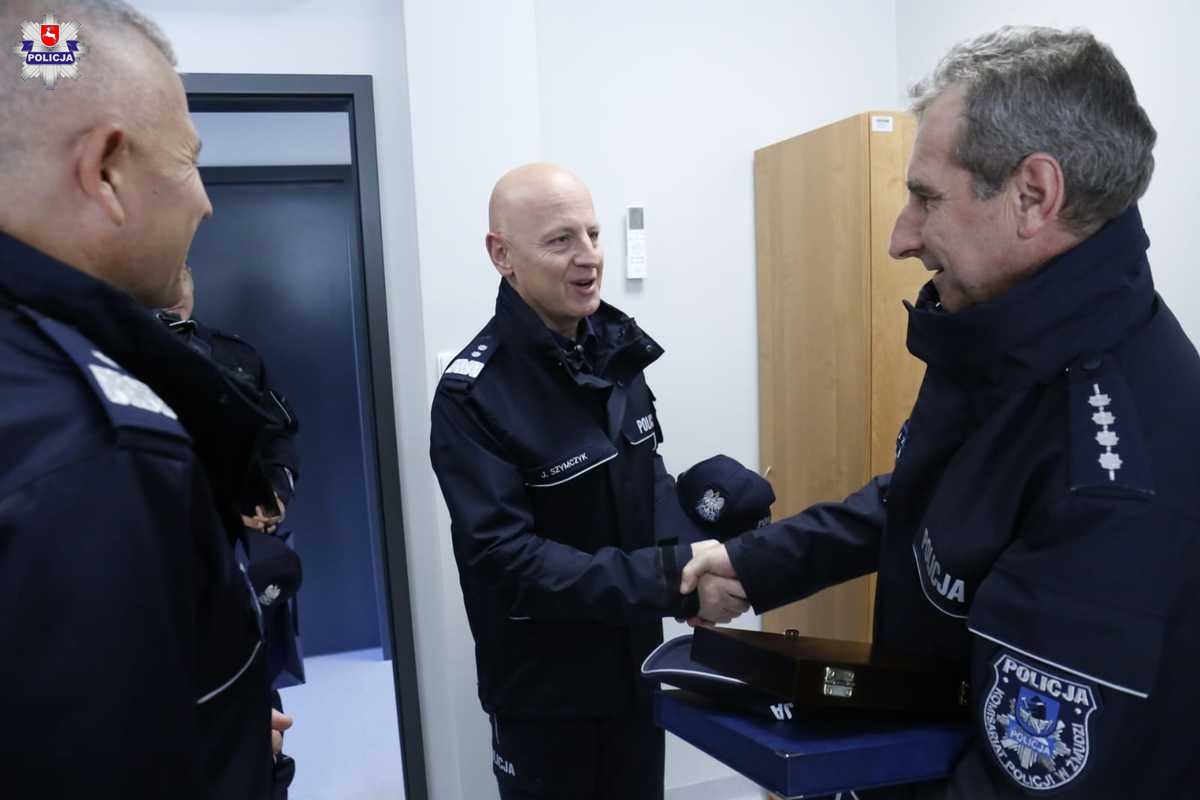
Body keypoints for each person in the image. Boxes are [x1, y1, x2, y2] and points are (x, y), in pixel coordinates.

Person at [681, 26, 1197, 799]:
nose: (900, 239)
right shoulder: (1006, 339)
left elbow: (1021, 780)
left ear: (1033, 195)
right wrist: (756, 563)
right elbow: (930, 499)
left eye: (925, 197)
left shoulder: (1110, 481)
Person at [0, 2, 285, 796]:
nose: (205, 201)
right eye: (189, 162)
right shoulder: (97, 446)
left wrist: (215, 719)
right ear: (105, 171)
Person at [429, 163, 753, 800]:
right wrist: (670, 579)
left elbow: (647, 482)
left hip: (635, 670)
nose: (589, 257)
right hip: (544, 695)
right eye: (561, 240)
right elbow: (509, 560)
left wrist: (694, 571)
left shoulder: (615, 351)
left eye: (594, 234)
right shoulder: (473, 396)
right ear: (502, 255)